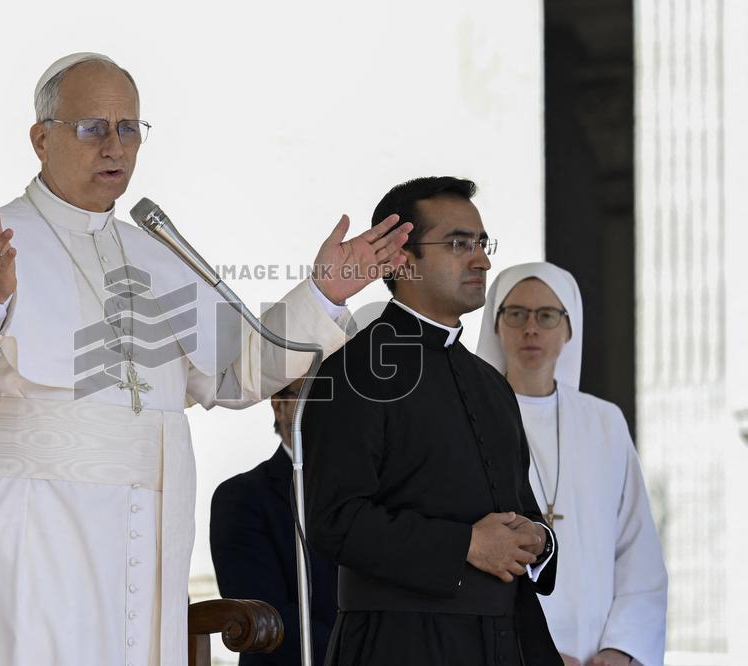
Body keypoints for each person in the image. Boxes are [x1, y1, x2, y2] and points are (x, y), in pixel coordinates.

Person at [0, 52, 412, 666]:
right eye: (92, 127)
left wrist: (324, 293)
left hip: (146, 534)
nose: (115, 145)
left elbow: (236, 376)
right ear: (40, 137)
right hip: (33, 531)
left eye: (129, 128)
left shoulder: (157, 253)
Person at [302, 176, 561, 666]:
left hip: (505, 638)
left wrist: (538, 539)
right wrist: (466, 544)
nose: (481, 259)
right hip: (401, 643)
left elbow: (519, 507)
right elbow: (333, 520)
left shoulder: (490, 382)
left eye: (482, 244)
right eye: (459, 243)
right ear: (402, 257)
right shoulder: (357, 367)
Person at [475, 262, 667, 666]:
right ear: (495, 324)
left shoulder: (604, 421)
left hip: (599, 653)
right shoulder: (471, 419)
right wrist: (534, 653)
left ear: (568, 328)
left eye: (546, 315)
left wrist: (623, 649)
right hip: (508, 651)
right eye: (516, 314)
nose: (531, 328)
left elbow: (637, 548)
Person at [210, 378, 338, 665]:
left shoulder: (371, 493)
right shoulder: (242, 498)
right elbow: (269, 616)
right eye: (309, 395)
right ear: (279, 406)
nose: (325, 408)